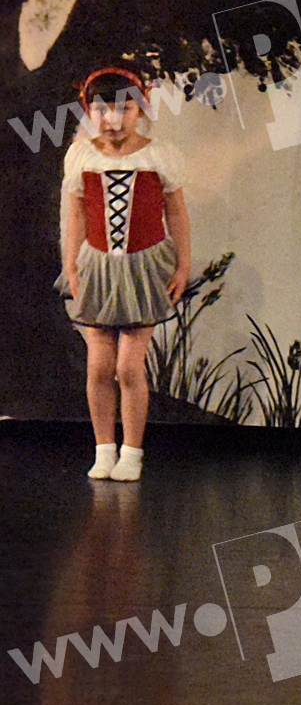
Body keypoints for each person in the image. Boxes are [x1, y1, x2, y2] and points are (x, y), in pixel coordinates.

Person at [58, 66, 192, 482]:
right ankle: (104, 449)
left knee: (129, 368)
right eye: (102, 110)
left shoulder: (158, 154)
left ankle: (132, 452)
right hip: (97, 267)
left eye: (124, 109)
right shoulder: (82, 155)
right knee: (99, 368)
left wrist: (183, 264)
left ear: (140, 109)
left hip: (143, 268)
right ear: (88, 110)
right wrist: (71, 265)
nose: (112, 121)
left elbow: (176, 212)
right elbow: (76, 215)